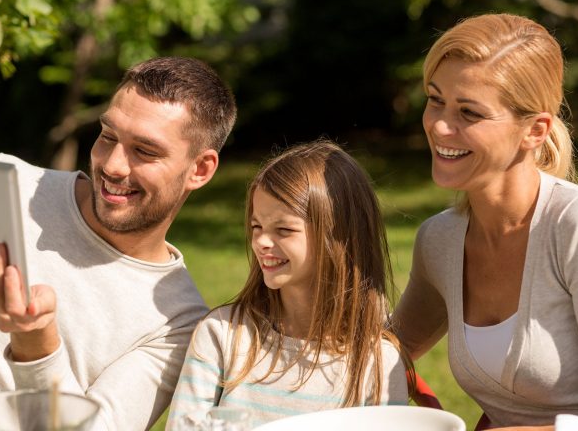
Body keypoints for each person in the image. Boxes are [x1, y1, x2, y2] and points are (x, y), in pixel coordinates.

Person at [0, 56, 237, 430]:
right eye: (107, 136)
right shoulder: (8, 184)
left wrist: (36, 346)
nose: (113, 165)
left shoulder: (177, 323)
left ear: (200, 169)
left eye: (145, 151)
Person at [391, 13, 578, 430]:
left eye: (469, 112)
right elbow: (388, 352)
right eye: (435, 99)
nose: (440, 126)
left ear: (535, 131)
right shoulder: (440, 240)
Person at [167, 140, 411, 429]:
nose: (261, 242)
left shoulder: (379, 362)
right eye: (257, 226)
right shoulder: (222, 335)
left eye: (283, 229)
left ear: (340, 240)